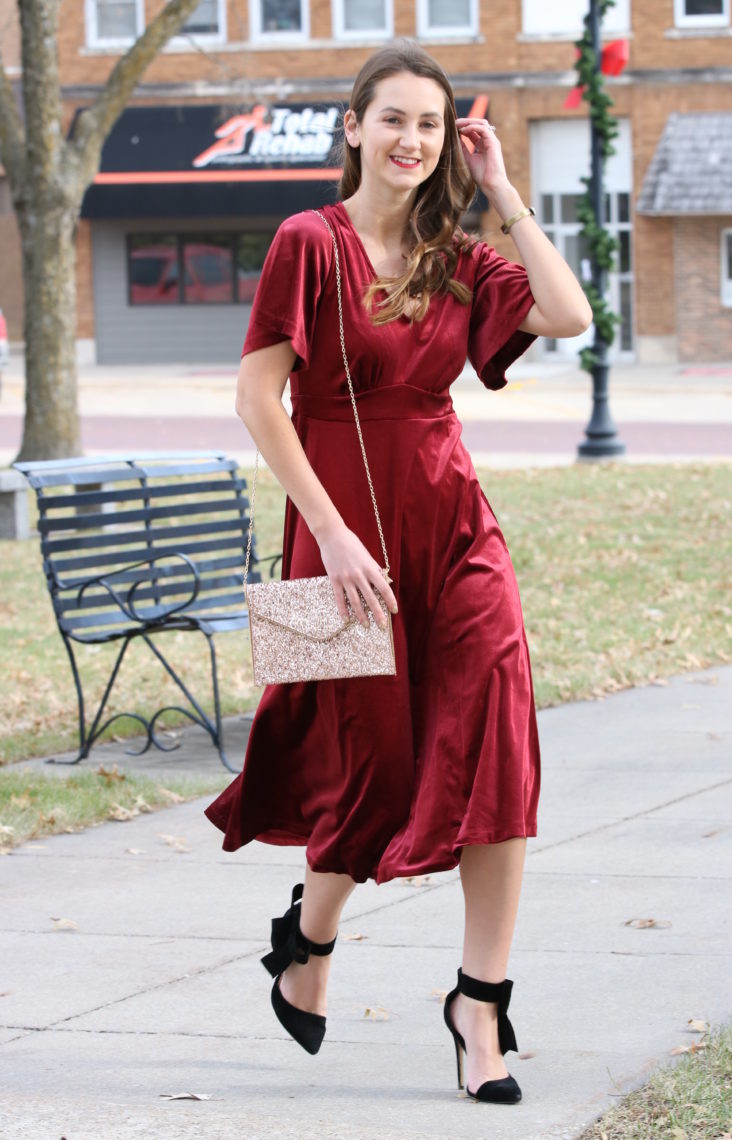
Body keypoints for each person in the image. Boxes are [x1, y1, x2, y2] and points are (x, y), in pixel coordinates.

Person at [206, 39, 592, 1104]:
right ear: (354, 129)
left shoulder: (458, 255)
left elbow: (570, 317)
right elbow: (255, 402)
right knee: (358, 764)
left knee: (498, 751)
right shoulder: (306, 242)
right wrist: (329, 534)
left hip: (455, 533)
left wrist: (504, 188)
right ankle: (309, 936)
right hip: (329, 539)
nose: (413, 140)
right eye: (394, 120)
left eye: (430, 124)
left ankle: (480, 999)